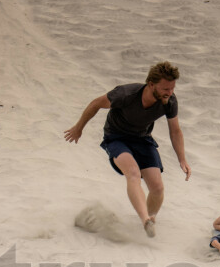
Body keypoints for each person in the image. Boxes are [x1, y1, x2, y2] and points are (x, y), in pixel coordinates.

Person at [64, 61, 191, 237]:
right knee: (133, 173)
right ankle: (144, 219)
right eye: (165, 89)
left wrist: (182, 159)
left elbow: (175, 131)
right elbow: (96, 103)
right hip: (117, 138)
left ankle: (150, 218)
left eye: (172, 88)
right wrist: (79, 128)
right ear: (151, 84)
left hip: (142, 139)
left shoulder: (169, 101)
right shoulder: (126, 94)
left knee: (157, 187)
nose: (170, 93)